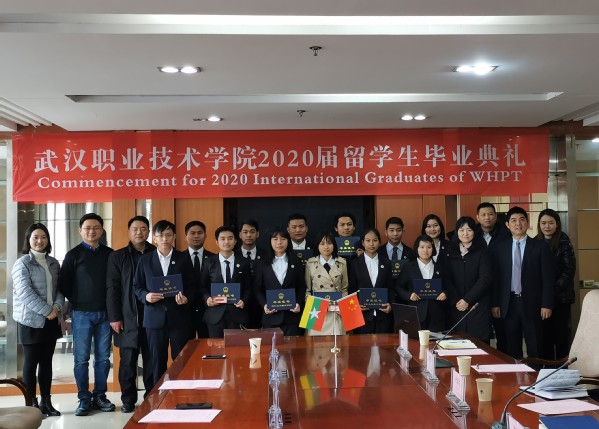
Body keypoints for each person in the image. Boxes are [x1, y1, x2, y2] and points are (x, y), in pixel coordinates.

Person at [59, 213, 115, 416]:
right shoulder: (73, 255)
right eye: (87, 228)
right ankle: (84, 398)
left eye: (96, 227)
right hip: (81, 314)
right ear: (80, 230)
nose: (92, 231)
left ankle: (100, 396)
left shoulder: (110, 254)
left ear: (102, 230)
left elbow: (115, 283)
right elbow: (64, 284)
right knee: (81, 359)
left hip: (106, 314)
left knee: (103, 358)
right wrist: (78, 300)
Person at [133, 220, 194, 389]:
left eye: (168, 235)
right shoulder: (145, 260)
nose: (165, 239)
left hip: (178, 317)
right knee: (156, 360)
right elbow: (137, 286)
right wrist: (146, 296)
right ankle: (157, 396)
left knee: (180, 359)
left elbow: (192, 286)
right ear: (154, 238)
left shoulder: (183, 258)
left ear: (174, 237)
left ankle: (180, 393)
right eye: (161, 236)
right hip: (154, 317)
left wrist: (186, 298)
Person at [12, 223, 64, 416]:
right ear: (28, 240)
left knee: (46, 363)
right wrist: (47, 310)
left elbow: (59, 289)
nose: (40, 241)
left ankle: (46, 402)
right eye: (35, 237)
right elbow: (25, 293)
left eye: (43, 237)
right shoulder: (22, 263)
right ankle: (31, 403)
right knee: (30, 363)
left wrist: (57, 307)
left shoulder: (53, 262)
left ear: (48, 240)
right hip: (30, 321)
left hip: (51, 319)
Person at [490, 206, 555, 359]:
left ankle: (535, 373)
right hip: (509, 303)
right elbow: (496, 279)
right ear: (507, 225)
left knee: (535, 345)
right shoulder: (500, 248)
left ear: (527, 222)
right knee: (511, 347)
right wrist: (495, 303)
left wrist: (547, 304)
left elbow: (548, 278)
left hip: (534, 304)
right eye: (513, 220)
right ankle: (514, 375)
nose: (518, 224)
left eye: (521, 220)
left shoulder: (540, 246)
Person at [106, 216, 155, 413]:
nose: (139, 232)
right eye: (135, 229)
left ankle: (151, 396)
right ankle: (128, 399)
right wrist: (114, 317)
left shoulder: (156, 253)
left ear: (148, 232)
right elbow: (112, 289)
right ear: (129, 231)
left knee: (152, 359)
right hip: (127, 316)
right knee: (127, 361)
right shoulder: (117, 256)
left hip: (152, 315)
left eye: (143, 228)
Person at [535, 209, 576, 360]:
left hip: (560, 298)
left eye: (550, 223)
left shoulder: (564, 243)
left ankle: (562, 370)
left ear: (557, 224)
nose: (547, 226)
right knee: (544, 337)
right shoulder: (535, 242)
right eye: (543, 223)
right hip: (541, 300)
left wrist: (550, 291)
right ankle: (546, 369)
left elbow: (568, 272)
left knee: (560, 337)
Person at [444, 217, 493, 343]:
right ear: (457, 232)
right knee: (456, 344)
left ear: (474, 232)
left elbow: (485, 279)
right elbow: (446, 278)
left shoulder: (482, 252)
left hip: (477, 306)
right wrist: (457, 300)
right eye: (461, 230)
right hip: (456, 306)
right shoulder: (450, 252)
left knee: (479, 345)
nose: (465, 233)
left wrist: (467, 300)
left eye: (469, 230)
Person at [201, 226, 252, 338]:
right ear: (217, 242)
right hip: (215, 314)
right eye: (222, 239)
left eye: (230, 238)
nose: (226, 242)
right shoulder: (209, 262)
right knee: (216, 347)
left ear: (235, 241)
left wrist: (244, 300)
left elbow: (248, 287)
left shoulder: (244, 262)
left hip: (237, 313)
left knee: (237, 347)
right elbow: (202, 286)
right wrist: (207, 299)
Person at [254, 227, 306, 335]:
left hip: (292, 317)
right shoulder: (262, 262)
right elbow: (257, 288)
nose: (279, 242)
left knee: (293, 345)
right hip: (271, 317)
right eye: (275, 239)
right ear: (270, 241)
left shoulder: (296, 261)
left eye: (283, 239)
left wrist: (298, 303)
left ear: (288, 240)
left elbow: (301, 286)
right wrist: (264, 305)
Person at [475, 202, 511, 353]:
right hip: (478, 293)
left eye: (490, 214)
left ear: (496, 216)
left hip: (501, 291)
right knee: (480, 337)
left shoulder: (506, 235)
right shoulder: (472, 235)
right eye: (483, 215)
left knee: (504, 336)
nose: (487, 217)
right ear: (477, 217)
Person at [396, 235, 447, 333]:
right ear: (417, 248)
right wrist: (409, 295)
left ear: (433, 249)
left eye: (429, 247)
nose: (425, 250)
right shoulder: (409, 266)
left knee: (435, 341)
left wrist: (444, 293)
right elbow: (398, 286)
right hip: (416, 313)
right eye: (422, 247)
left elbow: (446, 287)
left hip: (436, 315)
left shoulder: (439, 267)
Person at [349, 228, 394, 334]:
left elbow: (391, 288)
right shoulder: (354, 264)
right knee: (362, 344)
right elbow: (351, 289)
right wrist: (356, 306)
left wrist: (391, 305)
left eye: (375, 240)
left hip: (383, 315)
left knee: (384, 344)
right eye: (368, 240)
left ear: (379, 242)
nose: (371, 244)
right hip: (362, 316)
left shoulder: (386, 263)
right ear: (363, 243)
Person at [304, 231, 349, 336]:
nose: (326, 247)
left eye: (329, 243)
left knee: (337, 342)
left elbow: (344, 288)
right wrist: (312, 305)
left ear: (334, 245)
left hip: (336, 310)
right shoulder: (310, 263)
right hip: (316, 311)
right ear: (317, 245)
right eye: (322, 243)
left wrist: (342, 307)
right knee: (315, 344)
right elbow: (308, 290)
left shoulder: (342, 263)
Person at [184, 220, 214, 339]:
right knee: (186, 347)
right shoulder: (179, 259)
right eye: (192, 233)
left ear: (205, 235)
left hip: (208, 310)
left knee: (208, 345)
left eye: (200, 233)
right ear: (186, 236)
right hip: (185, 311)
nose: (196, 236)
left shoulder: (214, 258)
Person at [238, 219, 266, 328]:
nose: (249, 235)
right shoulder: (233, 255)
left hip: (262, 305)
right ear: (240, 235)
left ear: (258, 234)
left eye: (252, 232)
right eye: (245, 232)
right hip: (240, 304)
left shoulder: (266, 255)